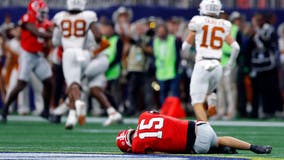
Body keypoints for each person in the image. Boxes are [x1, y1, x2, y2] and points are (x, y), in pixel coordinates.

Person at [52, 0, 122, 129]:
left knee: (75, 84)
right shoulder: (87, 21)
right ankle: (111, 112)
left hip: (92, 59)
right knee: (93, 89)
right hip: (88, 58)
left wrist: (91, 51)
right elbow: (99, 39)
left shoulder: (62, 18)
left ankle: (73, 106)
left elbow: (102, 45)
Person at [181, 0, 240, 121]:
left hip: (202, 63)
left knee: (196, 101)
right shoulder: (224, 24)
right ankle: (211, 98)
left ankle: (204, 127)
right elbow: (236, 47)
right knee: (208, 91)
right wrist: (229, 64)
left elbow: (185, 46)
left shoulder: (198, 21)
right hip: (217, 65)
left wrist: (185, 58)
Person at [116, 111, 272, 154]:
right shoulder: (143, 116)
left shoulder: (137, 146)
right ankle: (253, 147)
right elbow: (157, 113)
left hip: (196, 146)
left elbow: (160, 154)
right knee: (218, 139)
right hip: (201, 126)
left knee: (184, 149)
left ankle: (215, 151)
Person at [1, 0, 53, 123]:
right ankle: (5, 109)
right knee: (21, 84)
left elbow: (49, 29)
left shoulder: (45, 22)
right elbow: (36, 32)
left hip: (38, 55)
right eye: (41, 12)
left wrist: (53, 31)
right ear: (34, 11)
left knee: (49, 82)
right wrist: (51, 34)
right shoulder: (27, 18)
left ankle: (45, 110)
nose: (43, 14)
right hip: (27, 55)